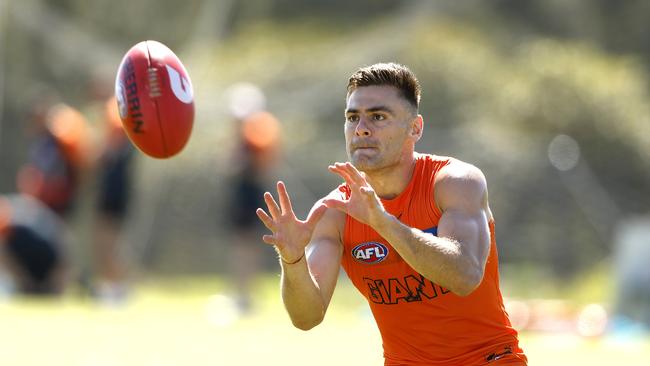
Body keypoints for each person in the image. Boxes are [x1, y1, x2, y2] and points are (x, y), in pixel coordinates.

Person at [256, 63, 527, 365]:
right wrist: (293, 259)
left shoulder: (455, 182)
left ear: (416, 128)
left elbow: (465, 275)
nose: (361, 129)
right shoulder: (335, 212)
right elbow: (306, 317)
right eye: (352, 117)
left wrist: (383, 223)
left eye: (378, 116)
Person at [0, 193, 69, 295]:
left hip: (53, 265)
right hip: (39, 270)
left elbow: (59, 246)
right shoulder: (12, 236)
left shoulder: (24, 228)